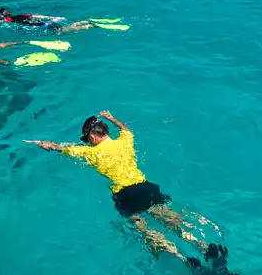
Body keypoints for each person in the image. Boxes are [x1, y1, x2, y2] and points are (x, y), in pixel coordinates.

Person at [26, 111, 219, 263]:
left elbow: (57, 147)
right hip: (145, 187)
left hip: (124, 195)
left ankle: (182, 259)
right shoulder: (124, 142)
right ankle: (201, 245)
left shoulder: (90, 153)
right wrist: (111, 117)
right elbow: (126, 129)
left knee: (145, 230)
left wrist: (40, 143)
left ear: (92, 137)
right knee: (169, 219)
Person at [0, 6, 99, 33]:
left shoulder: (8, 20)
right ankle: (83, 22)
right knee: (63, 28)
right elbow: (37, 15)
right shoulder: (20, 15)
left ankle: (87, 26)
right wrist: (51, 17)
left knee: (62, 31)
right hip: (43, 22)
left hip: (42, 26)